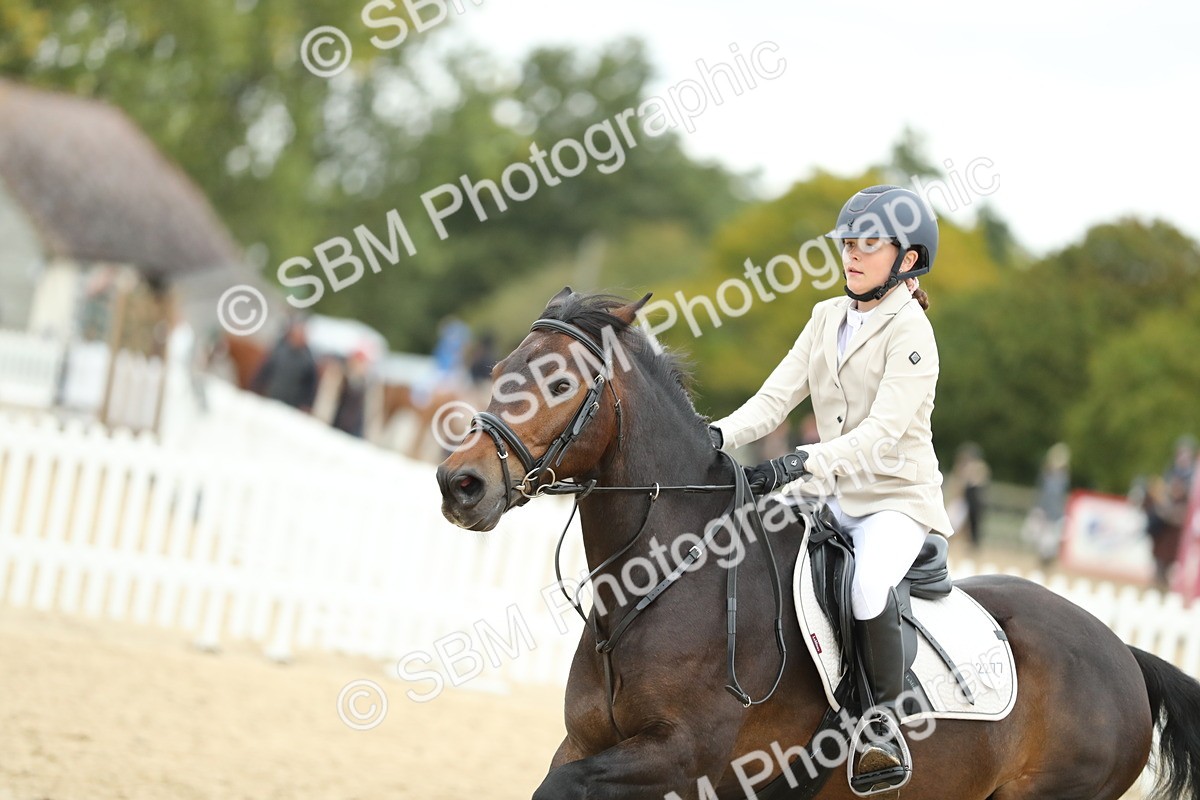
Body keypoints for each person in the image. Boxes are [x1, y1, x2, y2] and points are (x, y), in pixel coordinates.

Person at [708, 185, 951, 794]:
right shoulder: (826, 318)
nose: (852, 253)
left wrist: (798, 464)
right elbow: (773, 400)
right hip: (831, 494)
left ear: (908, 259)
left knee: (869, 585)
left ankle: (882, 725)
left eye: (870, 244)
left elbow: (882, 434)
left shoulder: (912, 332)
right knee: (752, 545)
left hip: (895, 500)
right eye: (848, 242)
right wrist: (711, 437)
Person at [251, 318, 318, 412]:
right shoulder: (279, 351)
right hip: (271, 398)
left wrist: (307, 404)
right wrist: (255, 387)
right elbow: (265, 371)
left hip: (290, 406)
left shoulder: (308, 360)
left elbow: (310, 387)